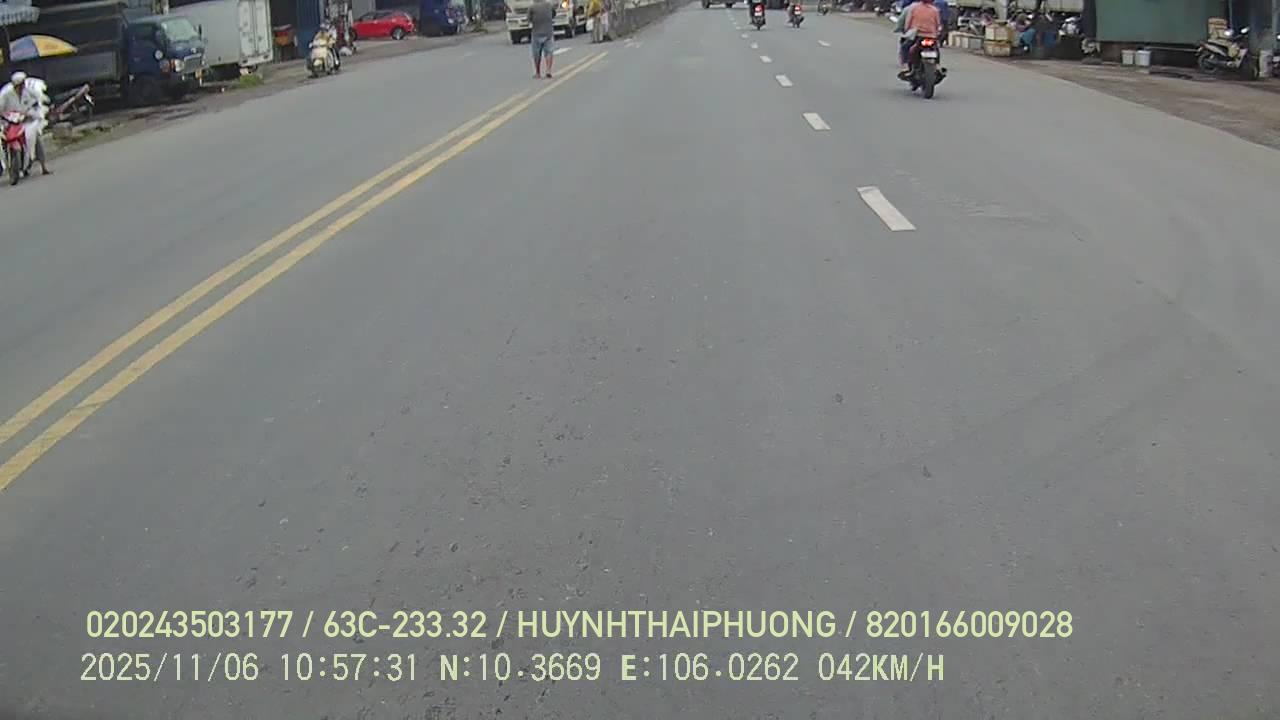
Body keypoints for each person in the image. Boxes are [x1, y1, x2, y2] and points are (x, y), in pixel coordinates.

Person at [0, 71, 51, 177]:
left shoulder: (30, 92)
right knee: (4, 140)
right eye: (17, 86)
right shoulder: (6, 94)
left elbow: (37, 104)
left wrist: (31, 114)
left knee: (35, 139)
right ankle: (7, 164)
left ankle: (43, 166)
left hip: (27, 121)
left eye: (21, 85)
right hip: (11, 122)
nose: (20, 88)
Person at [896, 0, 942, 77]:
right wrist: (936, 33)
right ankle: (937, 65)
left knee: (905, 47)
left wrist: (907, 31)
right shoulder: (935, 10)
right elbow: (938, 24)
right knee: (935, 48)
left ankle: (906, 66)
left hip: (917, 35)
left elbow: (908, 23)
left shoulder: (914, 8)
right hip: (931, 36)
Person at [527, 0, 556, 78]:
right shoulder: (549, 5)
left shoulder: (531, 7)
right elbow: (554, 14)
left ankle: (538, 72)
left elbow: (529, 19)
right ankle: (548, 70)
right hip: (548, 32)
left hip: (536, 33)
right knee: (549, 52)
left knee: (536, 54)